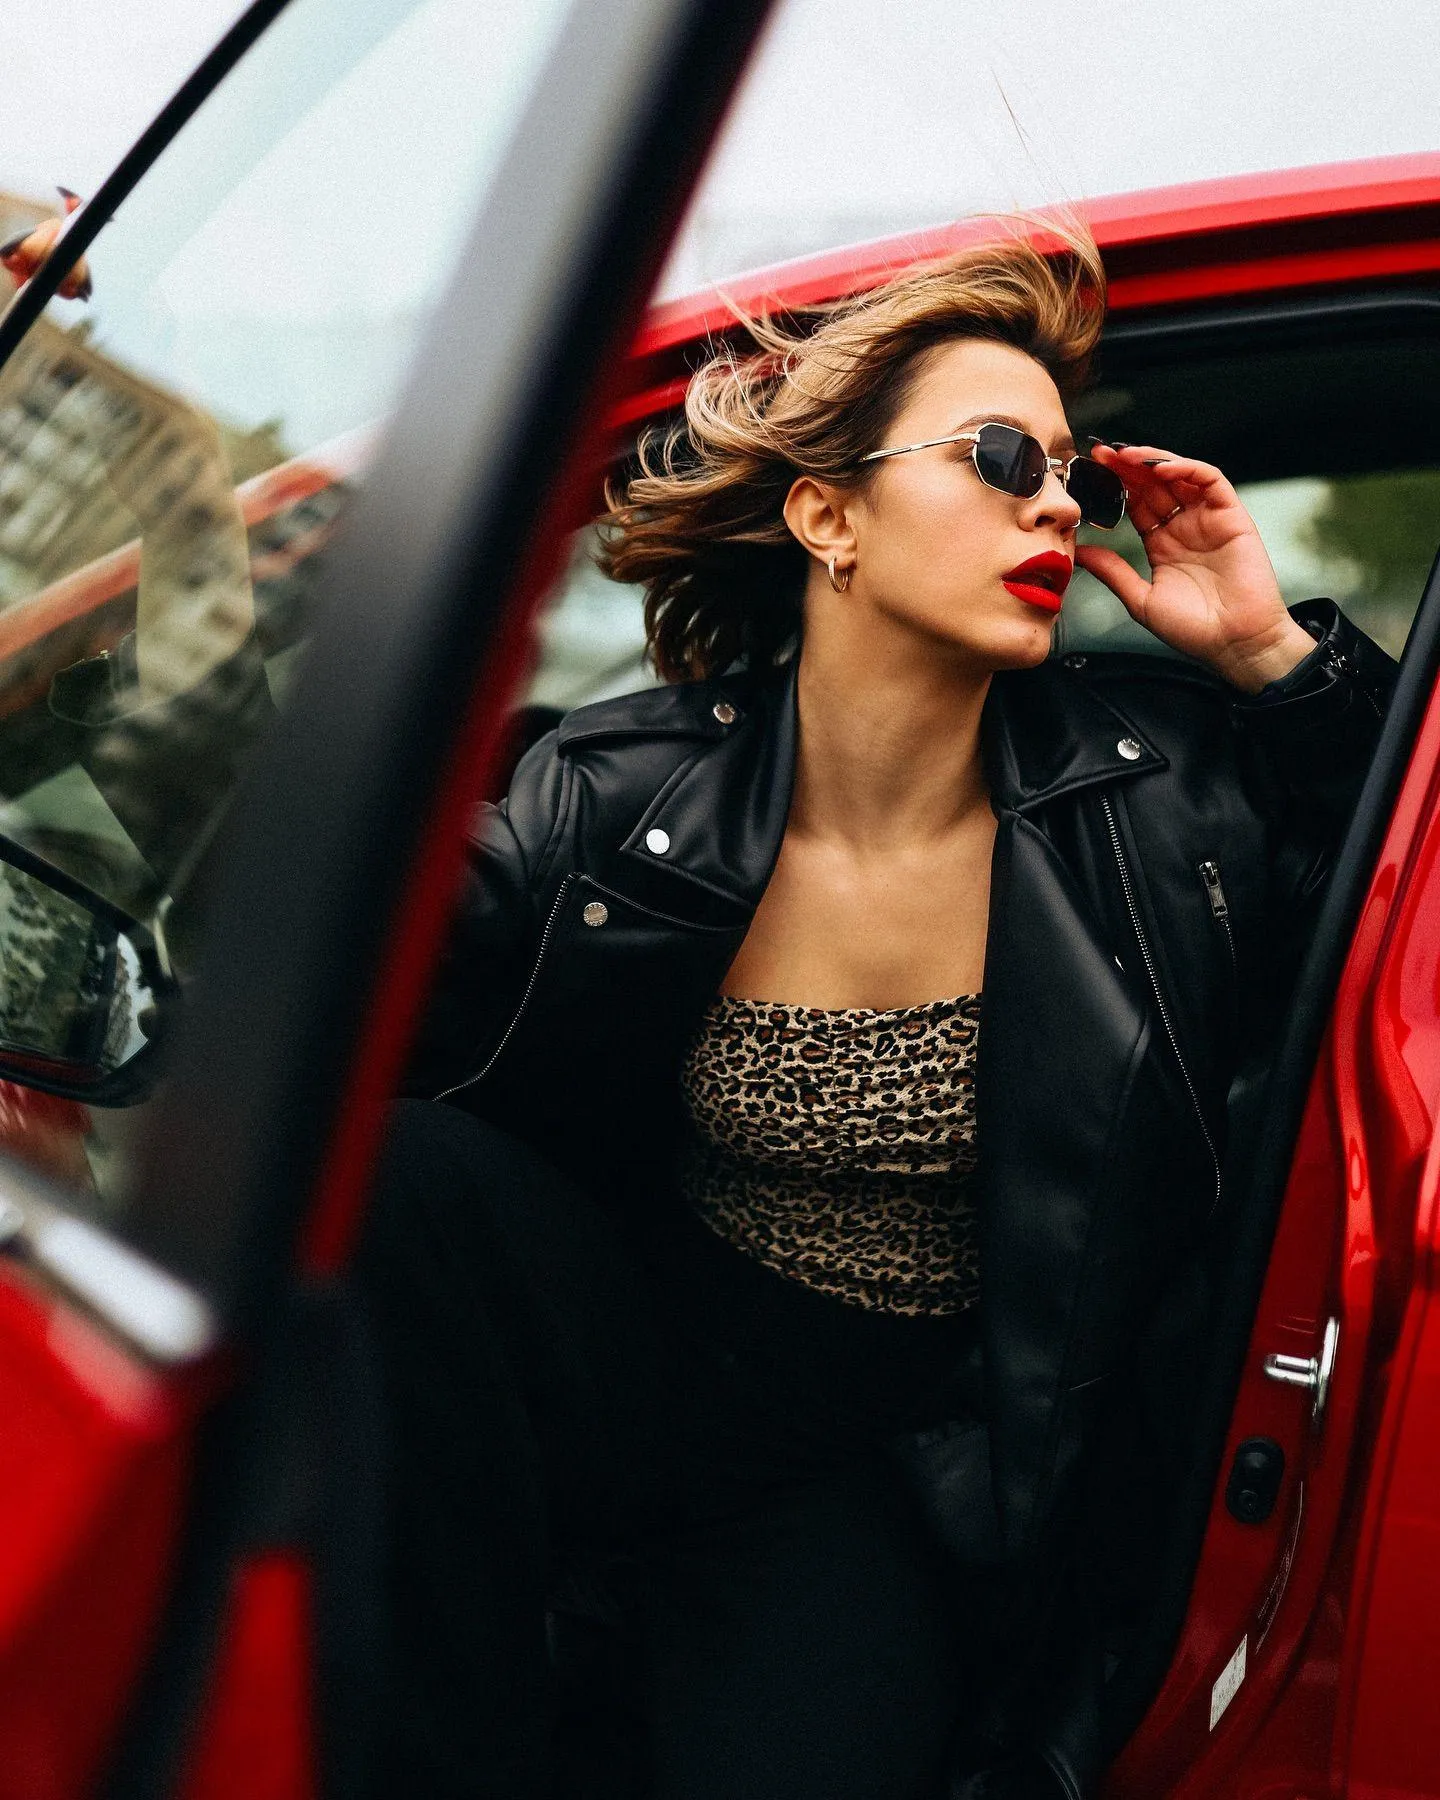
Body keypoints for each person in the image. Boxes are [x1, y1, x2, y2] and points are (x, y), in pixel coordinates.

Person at [360, 223, 1393, 1800]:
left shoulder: (1167, 802)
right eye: (999, 455)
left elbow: (1404, 907)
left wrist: (1269, 655)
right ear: (828, 515)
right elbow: (347, 1029)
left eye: (1068, 470)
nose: (1056, 499)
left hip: (910, 1451)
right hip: (649, 1347)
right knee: (396, 1179)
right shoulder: (618, 796)